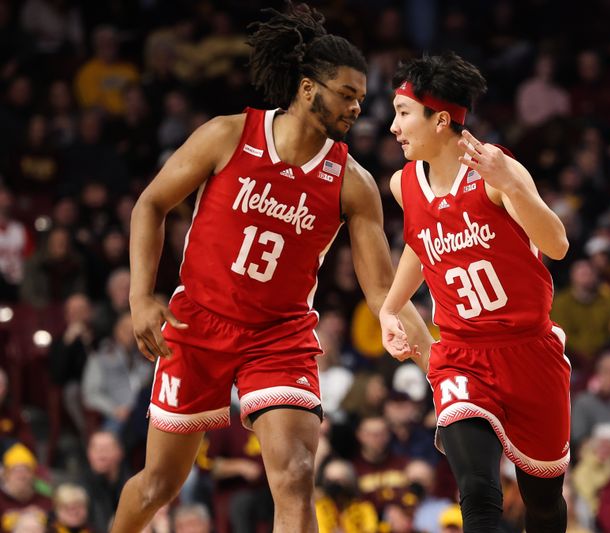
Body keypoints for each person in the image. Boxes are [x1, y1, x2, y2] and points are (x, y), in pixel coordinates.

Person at [111, 4, 430, 532]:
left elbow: (384, 294)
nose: (356, 108)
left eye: (361, 98)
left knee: (297, 473)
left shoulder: (353, 182)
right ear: (308, 90)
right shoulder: (226, 135)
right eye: (346, 95)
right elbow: (150, 204)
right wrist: (141, 297)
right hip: (197, 324)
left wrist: (438, 367)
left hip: (278, 336)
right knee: (158, 485)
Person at [380, 52, 571, 532]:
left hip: (529, 350)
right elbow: (421, 247)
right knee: (479, 493)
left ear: (440, 119)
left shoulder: (496, 170)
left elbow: (557, 245)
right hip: (462, 354)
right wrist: (390, 307)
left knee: (542, 503)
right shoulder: (404, 184)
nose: (393, 127)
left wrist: (512, 186)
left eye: (403, 114)